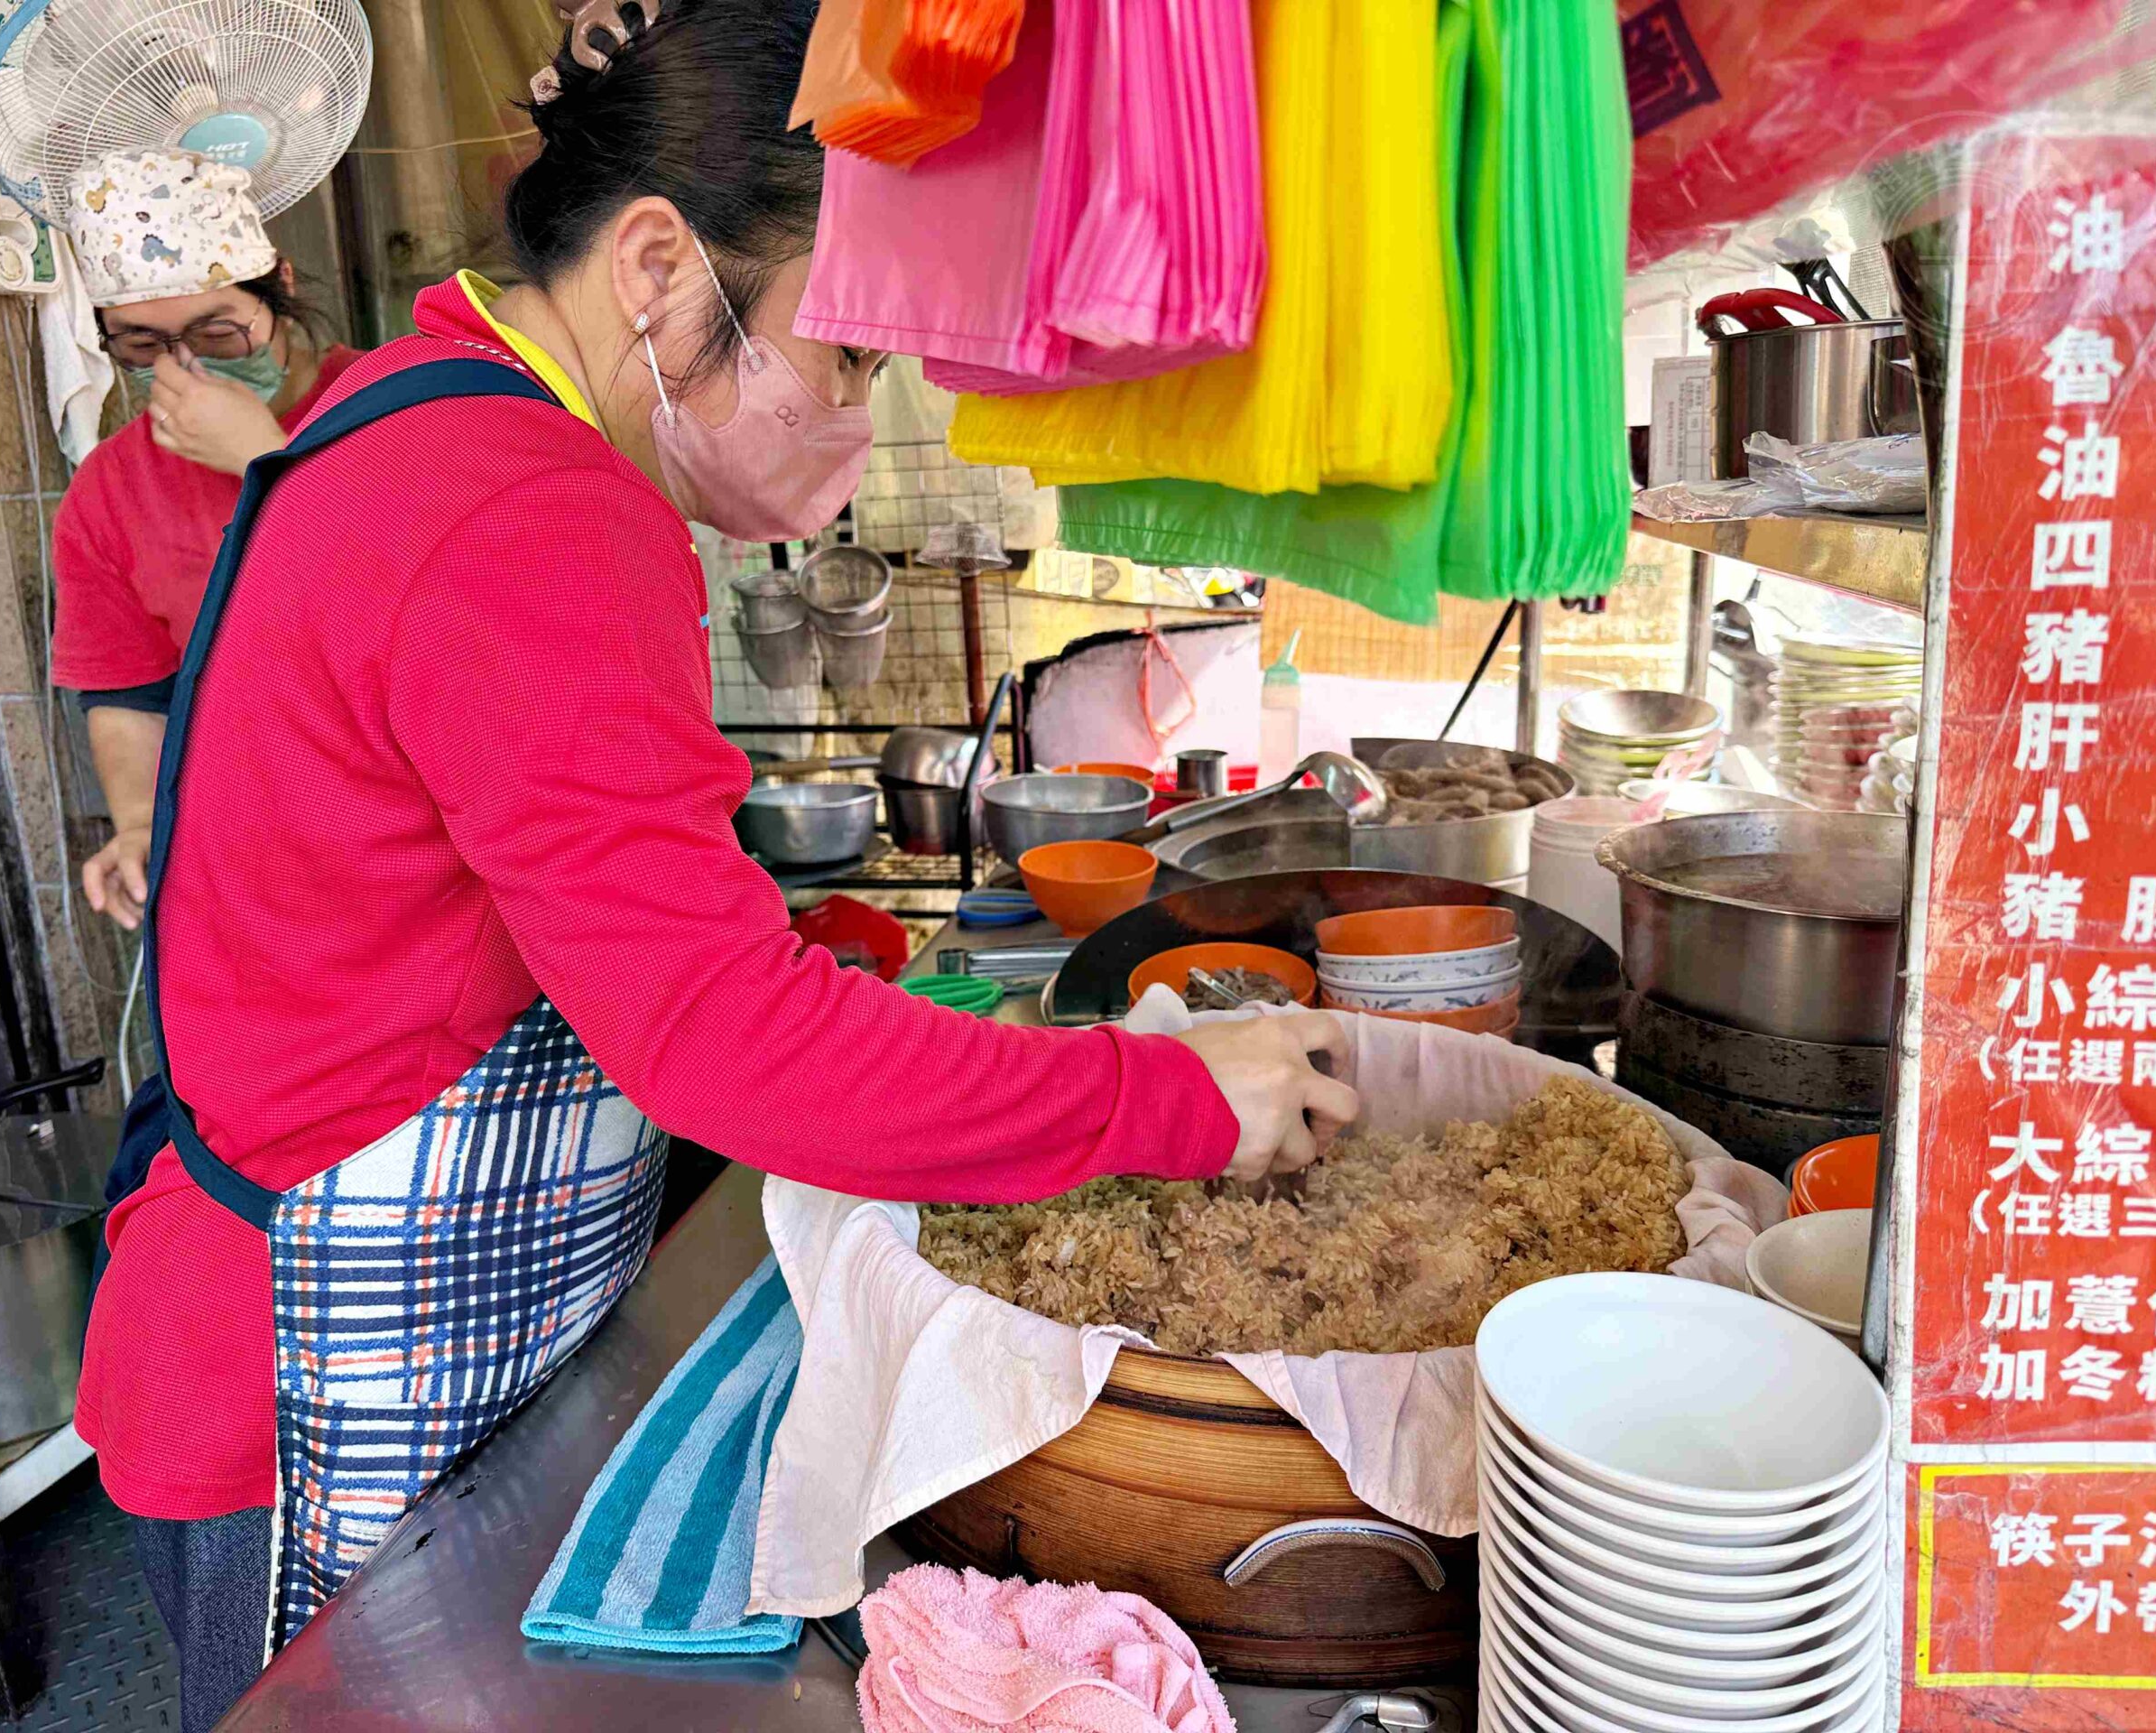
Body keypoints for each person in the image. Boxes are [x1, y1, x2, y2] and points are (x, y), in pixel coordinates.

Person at [76, 5, 1358, 1728]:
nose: (850, 408)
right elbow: (722, 1040)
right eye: (850, 353)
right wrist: (1177, 1095)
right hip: (307, 1383)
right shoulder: (528, 506)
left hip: (291, 1296)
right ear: (661, 264)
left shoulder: (415, 401)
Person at [50, 149, 362, 930]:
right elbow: (131, 691)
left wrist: (266, 463)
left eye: (216, 330)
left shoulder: (397, 407)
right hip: (262, 862)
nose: (183, 366)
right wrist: (138, 829)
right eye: (141, 345)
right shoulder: (109, 494)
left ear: (280, 287)